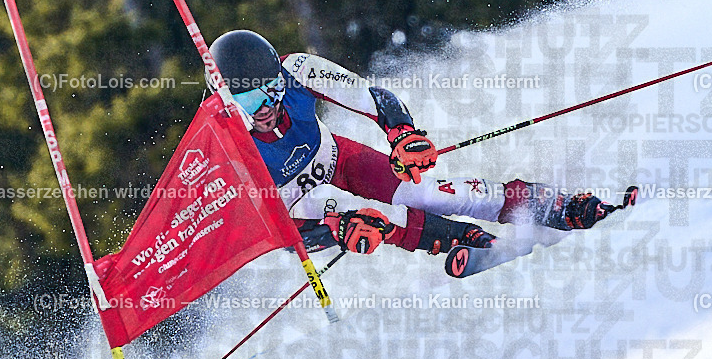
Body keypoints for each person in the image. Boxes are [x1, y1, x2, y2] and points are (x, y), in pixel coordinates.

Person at [209, 30, 619, 268]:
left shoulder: (297, 69)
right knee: (375, 219)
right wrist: (335, 231)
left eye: (268, 94)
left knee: (425, 190)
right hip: (299, 203)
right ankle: (464, 239)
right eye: (245, 104)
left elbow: (369, 95)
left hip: (334, 156)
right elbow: (276, 235)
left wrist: (403, 134)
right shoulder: (224, 145)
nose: (261, 111)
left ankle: (554, 207)